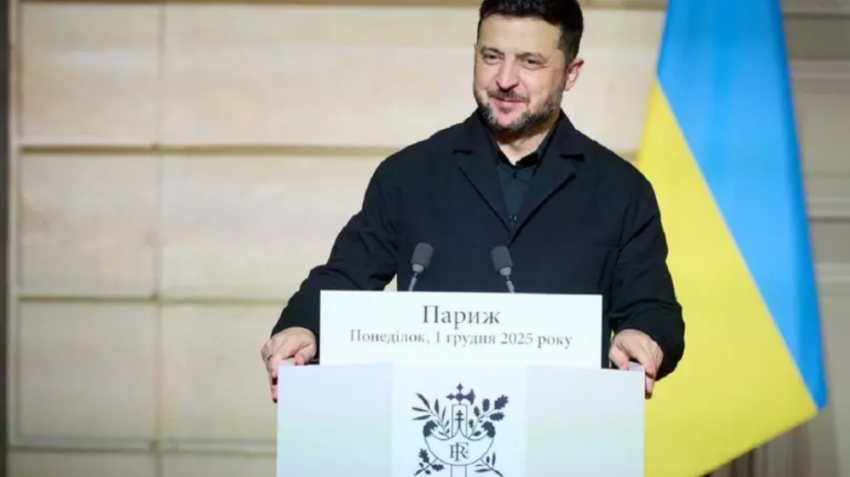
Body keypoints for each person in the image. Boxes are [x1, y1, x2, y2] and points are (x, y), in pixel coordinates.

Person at [261, 0, 685, 403]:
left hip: (565, 426)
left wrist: (643, 336)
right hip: (430, 423)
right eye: (491, 56)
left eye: (530, 62)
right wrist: (304, 326)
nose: (505, 79)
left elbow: (653, 309)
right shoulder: (409, 175)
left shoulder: (620, 189)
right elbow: (346, 279)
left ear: (570, 73)